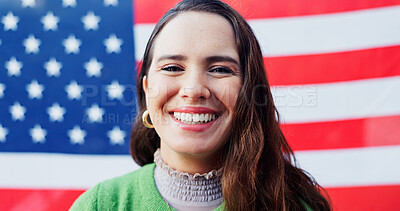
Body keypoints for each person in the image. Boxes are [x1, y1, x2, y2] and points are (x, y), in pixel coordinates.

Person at [70, 0, 331, 210]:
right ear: (147, 90)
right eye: (172, 68)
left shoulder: (294, 206)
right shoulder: (100, 204)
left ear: (248, 92)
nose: (194, 90)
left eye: (219, 69)